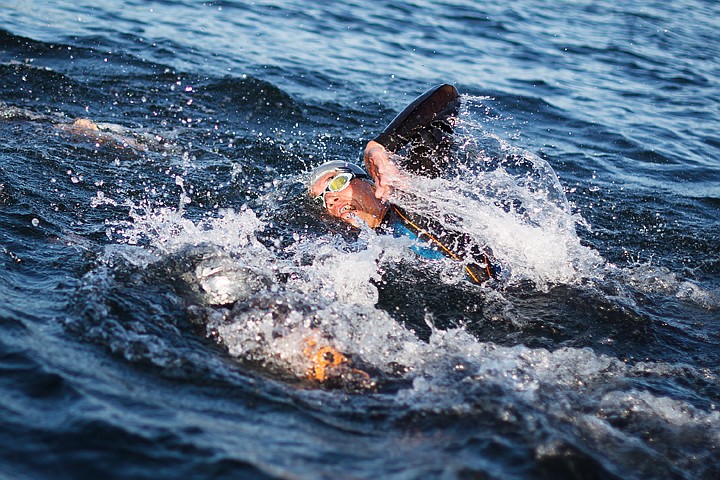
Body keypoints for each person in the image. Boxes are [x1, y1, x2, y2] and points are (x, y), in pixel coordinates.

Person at [308, 84, 500, 284]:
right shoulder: (371, 254)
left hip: (513, 293)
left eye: (336, 183)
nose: (330, 199)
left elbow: (447, 95)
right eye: (322, 199)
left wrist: (379, 146)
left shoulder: (412, 195)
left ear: (369, 182)